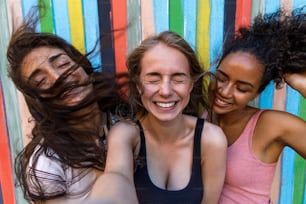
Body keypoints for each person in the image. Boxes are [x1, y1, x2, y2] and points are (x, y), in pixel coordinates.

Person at [7, 21, 138, 204]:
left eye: (62, 64)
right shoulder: (47, 165)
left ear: (85, 70)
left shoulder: (129, 121)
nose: (58, 77)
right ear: (40, 103)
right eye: (41, 81)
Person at [95, 31, 227, 204]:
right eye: (153, 79)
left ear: (191, 84)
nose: (165, 91)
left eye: (178, 79)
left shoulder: (210, 139)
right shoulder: (126, 134)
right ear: (138, 84)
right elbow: (115, 177)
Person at [208, 10, 306, 204]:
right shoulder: (199, 117)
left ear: (257, 93)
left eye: (242, 88)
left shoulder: (270, 125)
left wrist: (303, 86)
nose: (225, 92)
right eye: (221, 78)